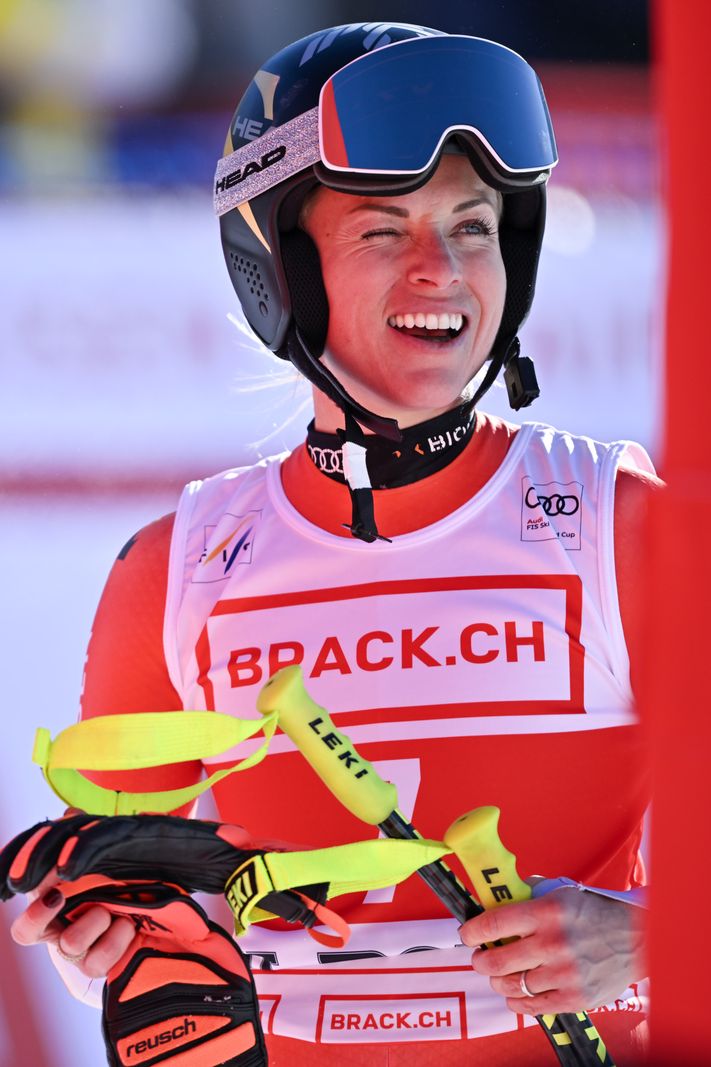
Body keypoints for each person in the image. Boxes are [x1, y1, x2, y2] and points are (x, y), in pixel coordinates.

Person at [9, 22, 657, 1066]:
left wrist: (649, 939)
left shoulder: (619, 527)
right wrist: (107, 940)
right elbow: (122, 925)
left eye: (474, 225)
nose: (441, 270)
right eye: (382, 232)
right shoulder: (173, 571)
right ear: (281, 269)